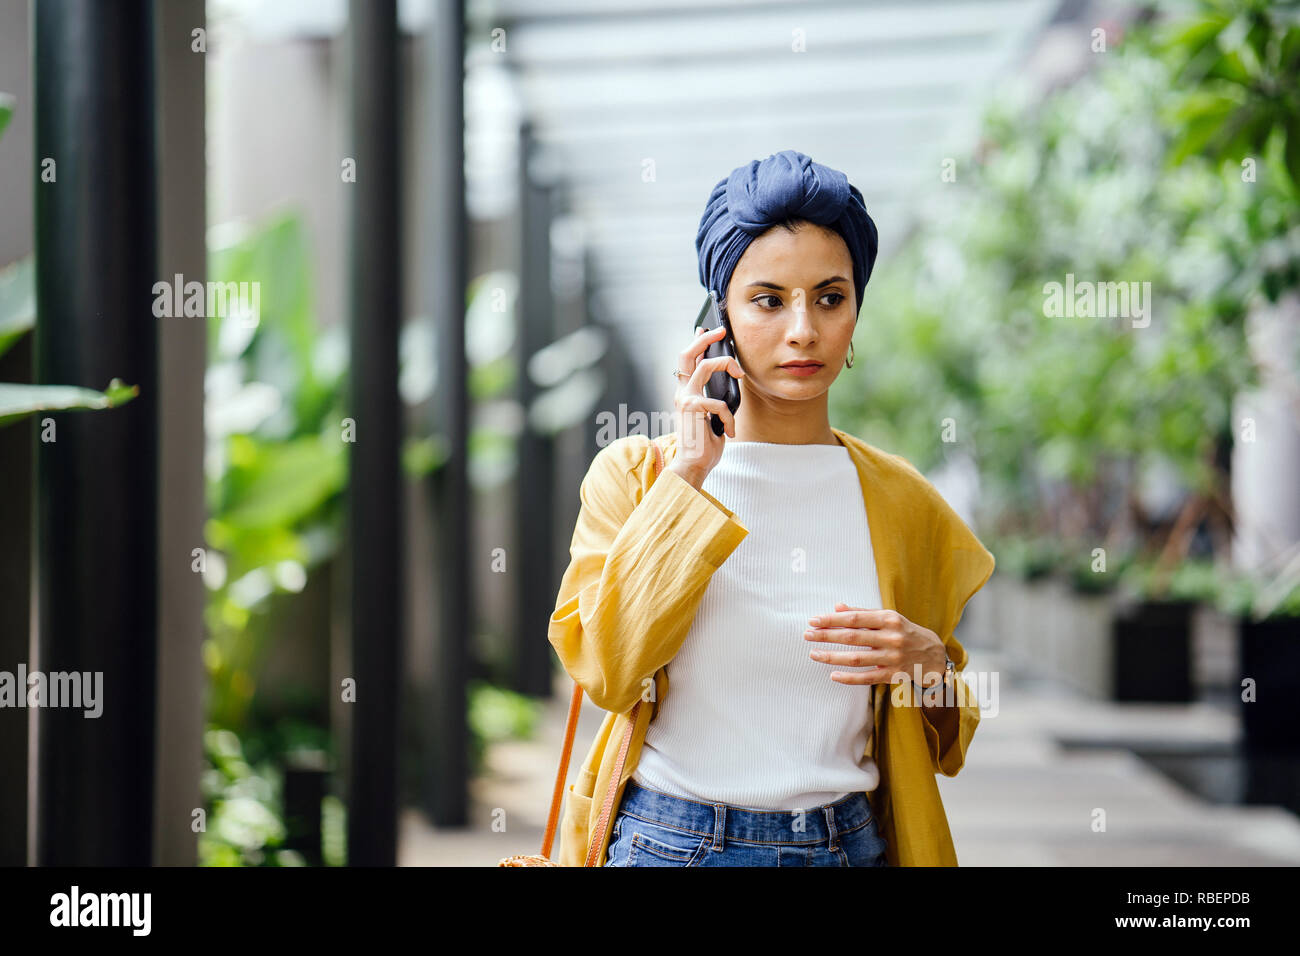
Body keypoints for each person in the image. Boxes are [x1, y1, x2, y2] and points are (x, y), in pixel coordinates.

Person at [549, 149, 996, 867]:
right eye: (767, 300)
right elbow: (607, 670)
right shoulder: (638, 478)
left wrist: (931, 665)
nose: (803, 331)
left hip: (851, 846)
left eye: (830, 297)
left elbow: (947, 743)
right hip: (672, 846)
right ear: (718, 314)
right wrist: (689, 478)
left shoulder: (905, 502)